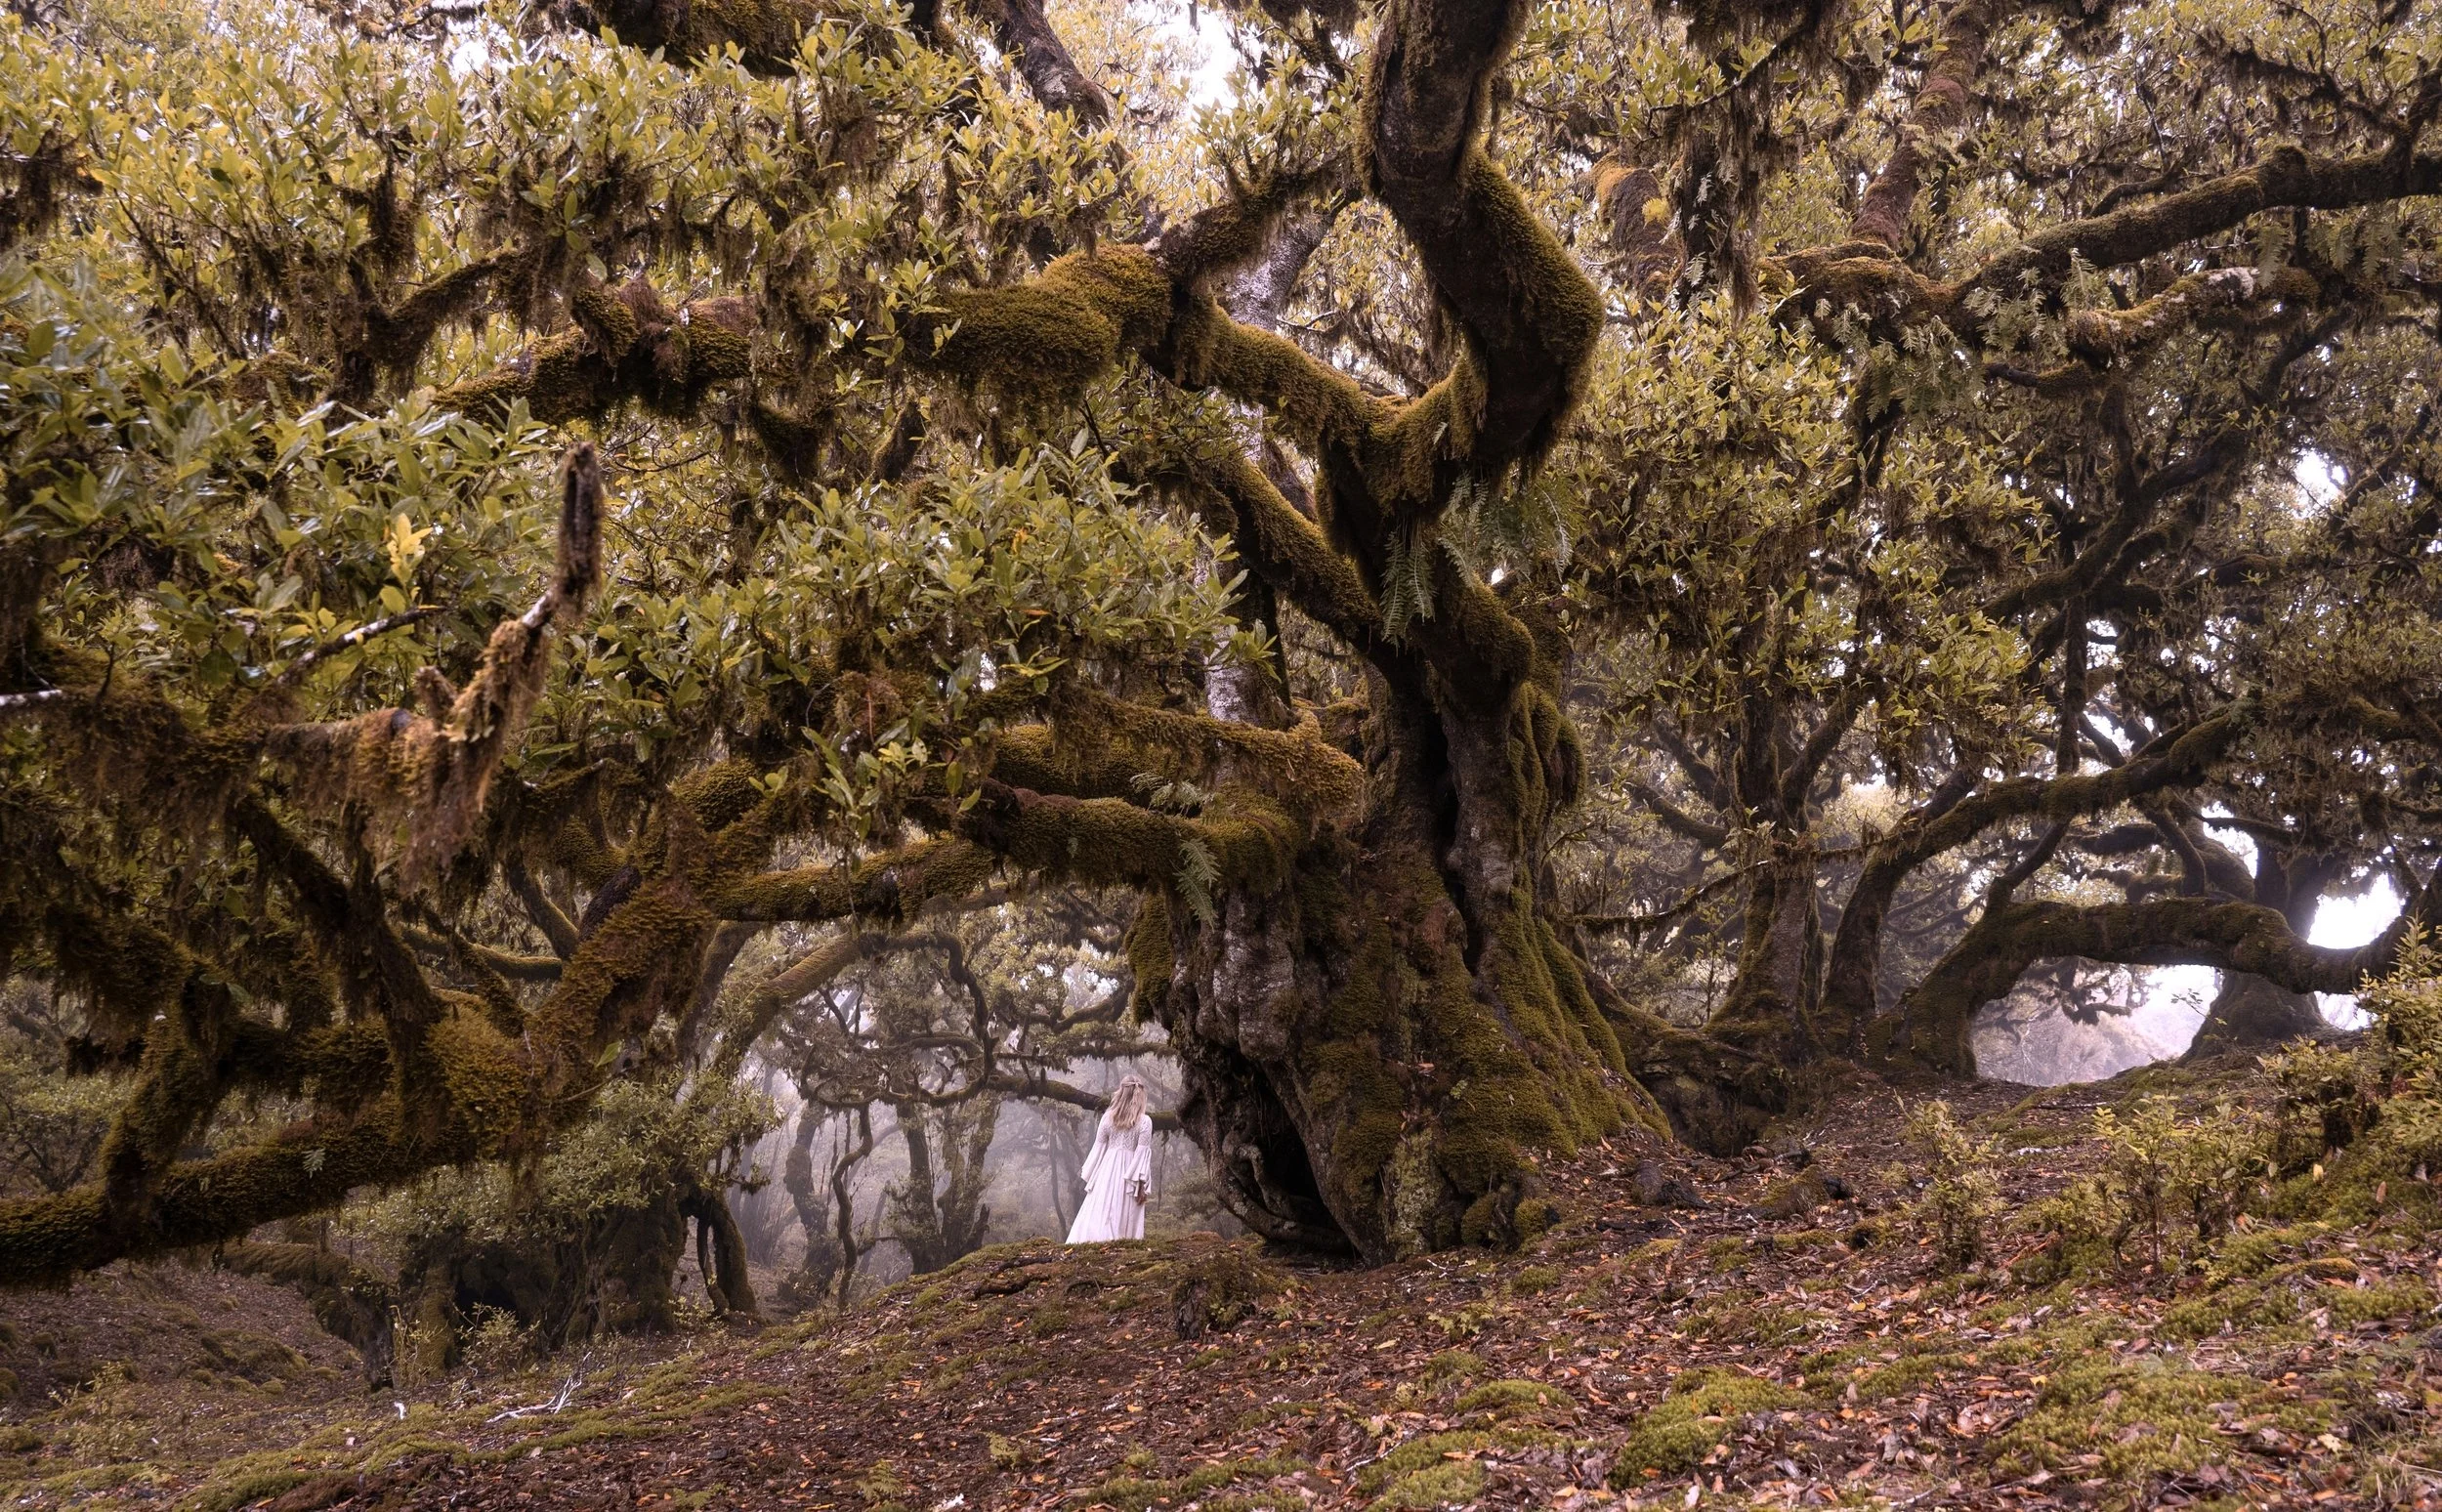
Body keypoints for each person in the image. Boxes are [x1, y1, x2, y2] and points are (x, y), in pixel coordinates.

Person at [1065, 1074, 1154, 1243]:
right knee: (1124, 1207)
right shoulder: (1145, 1122)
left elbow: (1098, 1149)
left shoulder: (1108, 1118)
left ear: (1120, 1092)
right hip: (1130, 1171)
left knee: (1102, 1205)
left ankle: (1095, 1240)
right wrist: (1141, 1184)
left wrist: (1091, 1174)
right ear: (1140, 1095)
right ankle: (1122, 1243)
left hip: (1107, 1168)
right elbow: (1142, 1156)